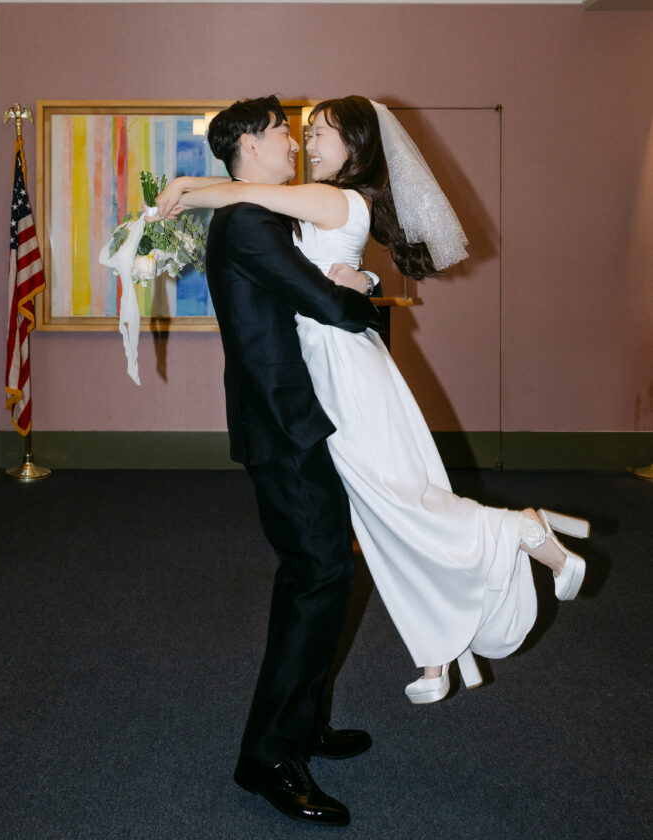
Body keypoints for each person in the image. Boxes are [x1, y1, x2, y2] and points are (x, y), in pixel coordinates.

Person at [155, 95, 589, 711]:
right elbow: (287, 243)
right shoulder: (311, 203)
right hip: (324, 378)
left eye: (319, 134)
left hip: (341, 375)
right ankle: (439, 644)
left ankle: (517, 531)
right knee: (383, 506)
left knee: (393, 498)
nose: (303, 142)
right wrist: (363, 283)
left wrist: (187, 188)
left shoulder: (331, 199)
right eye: (294, 132)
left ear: (356, 147)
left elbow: (245, 201)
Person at [173, 97, 381, 828]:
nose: (292, 140)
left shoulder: (258, 215)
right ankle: (266, 756)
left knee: (318, 572)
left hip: (291, 419)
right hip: (282, 426)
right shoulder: (252, 223)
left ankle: (302, 726)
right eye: (280, 132)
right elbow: (331, 308)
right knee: (320, 573)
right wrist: (363, 295)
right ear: (247, 146)